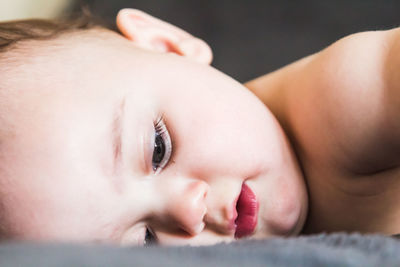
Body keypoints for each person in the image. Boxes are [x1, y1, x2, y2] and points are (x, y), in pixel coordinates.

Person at [0, 8, 397, 246]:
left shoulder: (345, 99)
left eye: (158, 148)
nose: (189, 211)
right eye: (145, 245)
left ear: (167, 44)